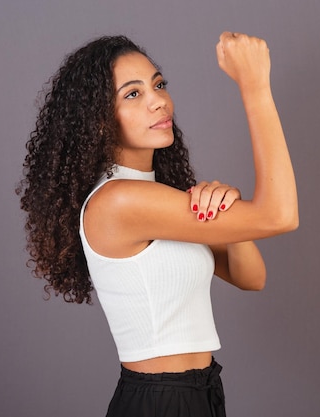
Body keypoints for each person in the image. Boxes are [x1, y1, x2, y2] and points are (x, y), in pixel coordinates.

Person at [17, 31, 298, 417]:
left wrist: (227, 212)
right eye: (133, 94)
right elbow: (279, 215)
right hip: (162, 401)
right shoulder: (118, 201)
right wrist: (254, 86)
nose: (158, 101)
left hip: (201, 391)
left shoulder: (159, 196)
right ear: (98, 120)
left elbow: (252, 277)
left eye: (159, 85)